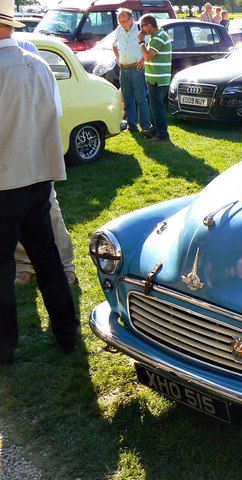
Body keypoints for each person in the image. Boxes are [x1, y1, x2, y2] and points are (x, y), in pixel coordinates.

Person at [0, 0, 80, 365]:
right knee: (47, 260)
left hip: (5, 183)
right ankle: (67, 334)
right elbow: (52, 116)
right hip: (37, 178)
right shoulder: (40, 64)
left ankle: (4, 349)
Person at [113, 8, 151, 134]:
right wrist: (118, 58)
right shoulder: (119, 30)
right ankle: (132, 126)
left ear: (131, 18)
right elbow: (113, 45)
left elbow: (150, 47)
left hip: (137, 68)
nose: (123, 24)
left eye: (124, 21)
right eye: (120, 22)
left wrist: (144, 60)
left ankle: (145, 126)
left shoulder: (141, 29)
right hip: (124, 69)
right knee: (128, 100)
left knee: (141, 99)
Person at [138, 14, 172, 142]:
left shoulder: (158, 37)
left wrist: (141, 41)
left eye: (143, 26)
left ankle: (162, 134)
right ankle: (155, 129)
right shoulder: (156, 36)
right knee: (154, 106)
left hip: (158, 79)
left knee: (157, 107)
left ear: (149, 25)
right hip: (154, 78)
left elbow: (148, 56)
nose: (142, 30)